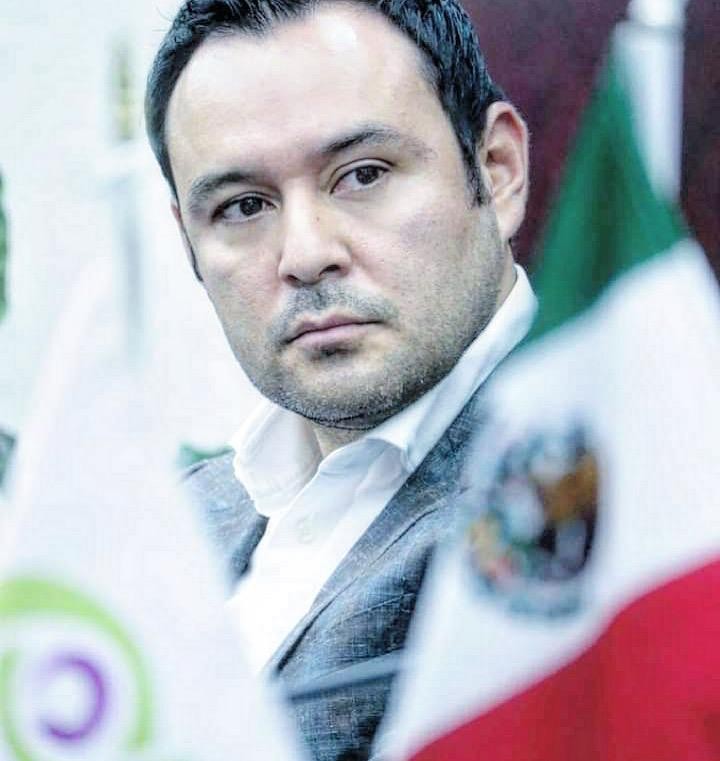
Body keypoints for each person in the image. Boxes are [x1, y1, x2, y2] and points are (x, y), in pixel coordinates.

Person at [145, 0, 535, 758]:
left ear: (496, 170)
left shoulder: (616, 507)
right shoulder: (170, 520)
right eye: (243, 206)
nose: (305, 253)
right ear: (188, 241)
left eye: (362, 175)